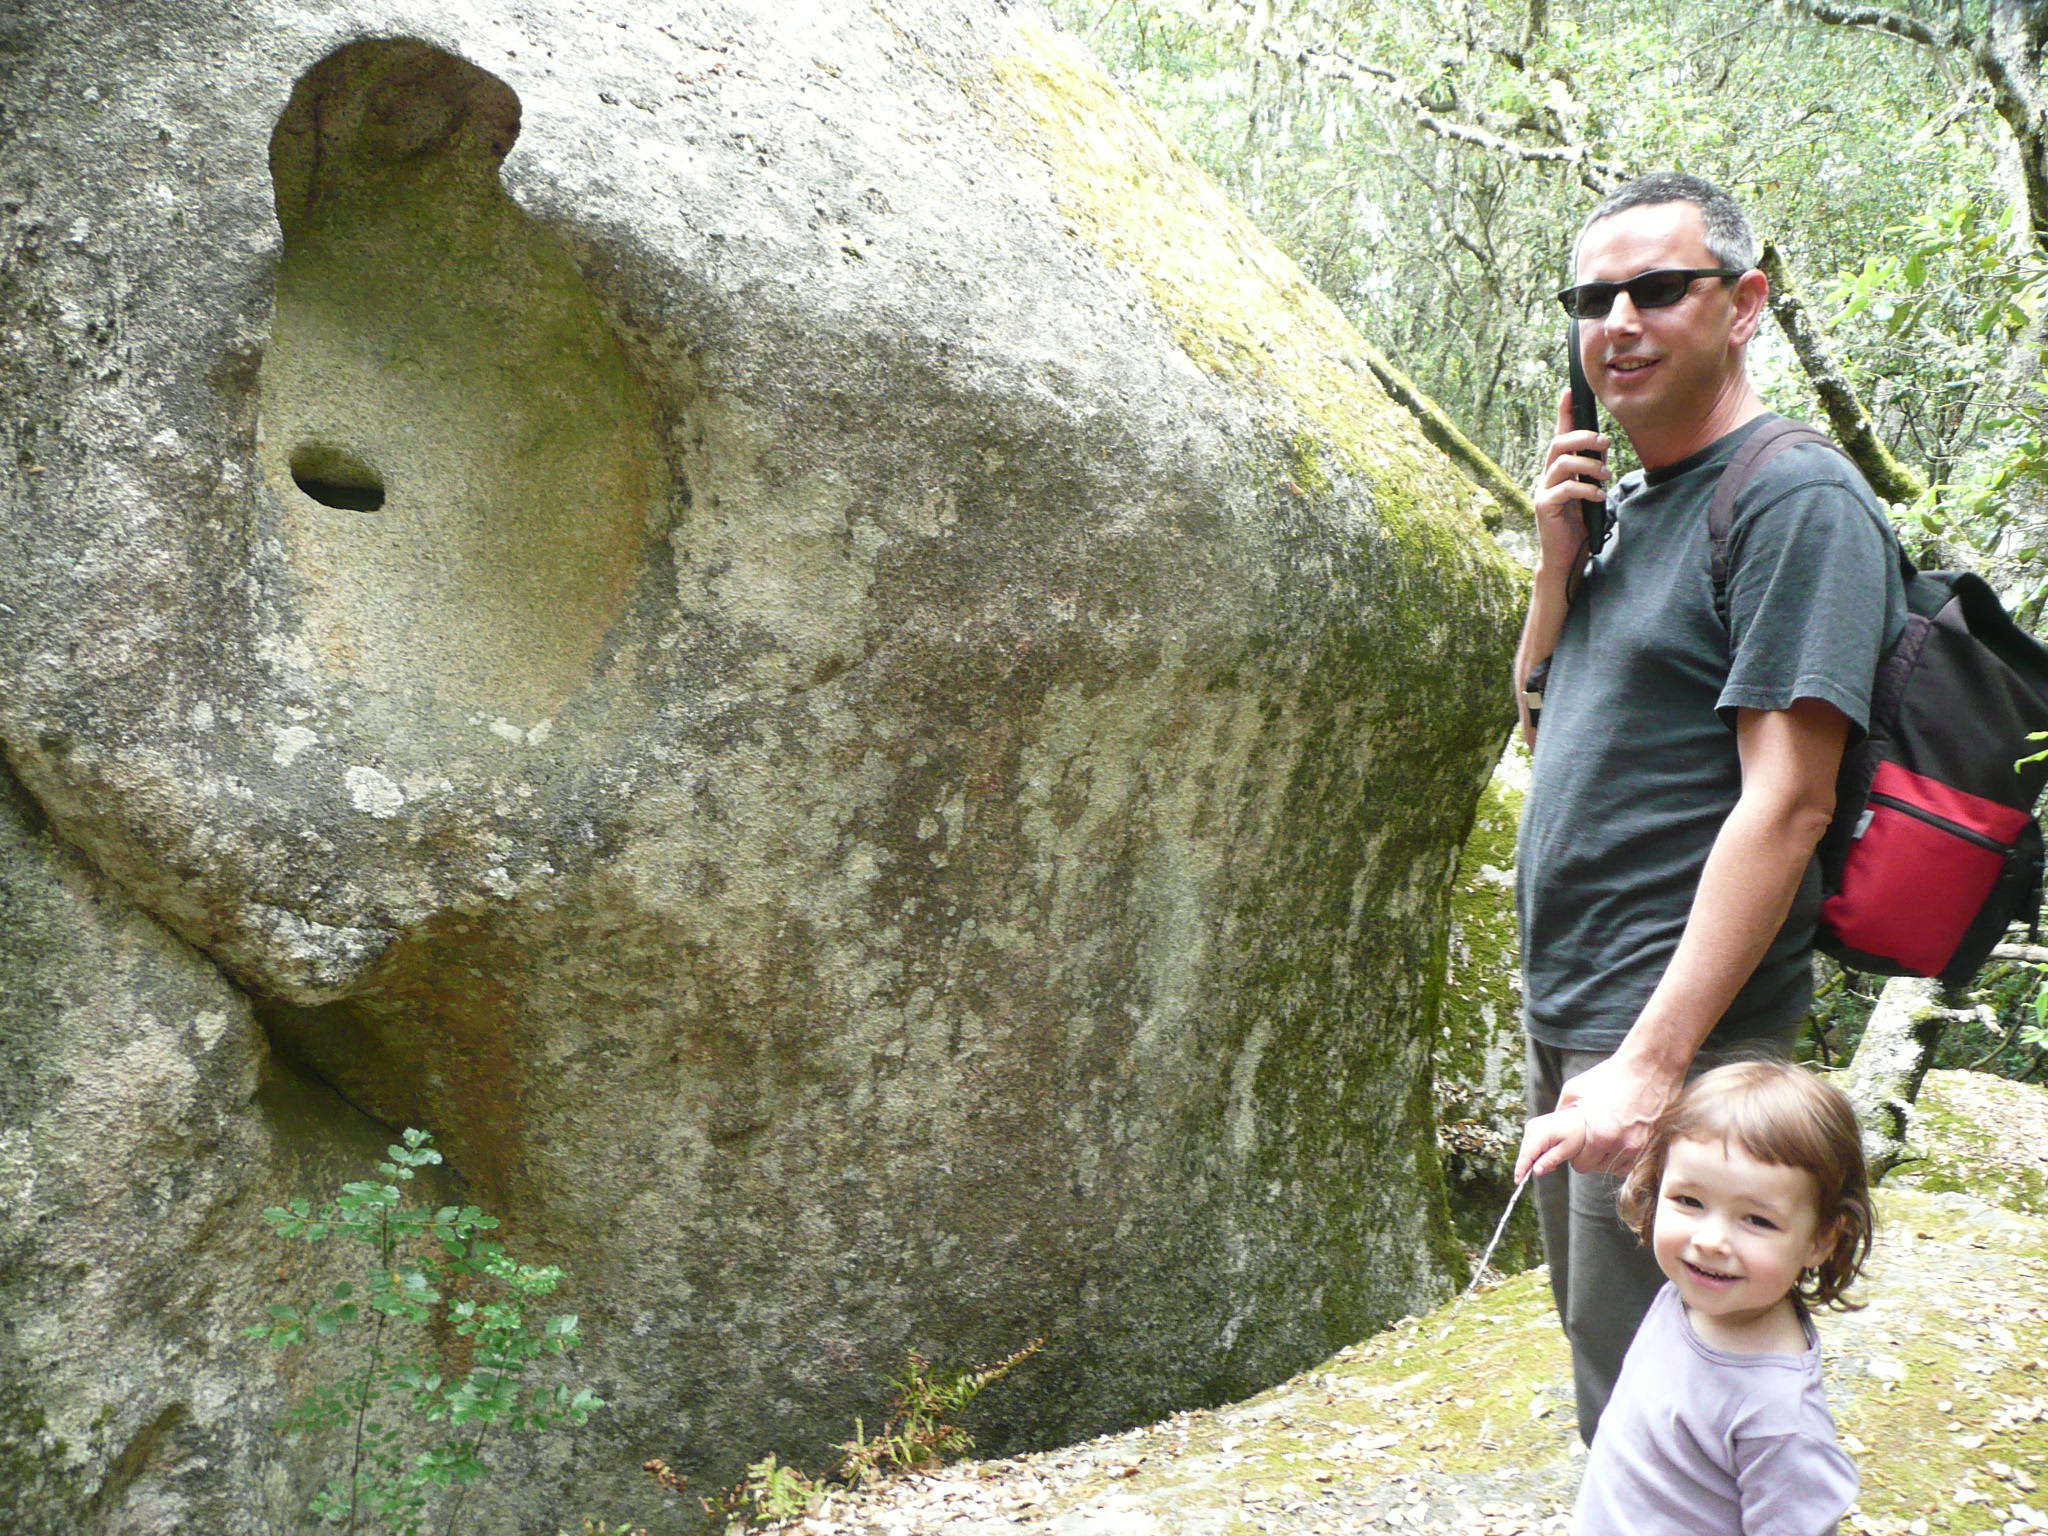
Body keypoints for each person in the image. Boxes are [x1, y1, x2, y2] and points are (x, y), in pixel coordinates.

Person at [1511, 170, 1906, 1439]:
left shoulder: (1794, 502)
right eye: (1592, 299)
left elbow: (1788, 805)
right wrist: (1556, 571)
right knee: (1612, 1363)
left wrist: (1651, 1061)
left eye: (1656, 289)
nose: (1617, 321)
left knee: (1672, 1395)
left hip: (1671, 1026)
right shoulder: (1629, 508)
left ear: (1742, 305)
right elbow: (1546, 728)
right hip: (1578, 1003)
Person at [1521, 1059, 1873, 1536]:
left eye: (1757, 1220)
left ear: (1822, 1239)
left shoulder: (1780, 1418)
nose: (1709, 1240)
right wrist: (1587, 1126)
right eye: (1689, 1201)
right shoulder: (1690, 1293)